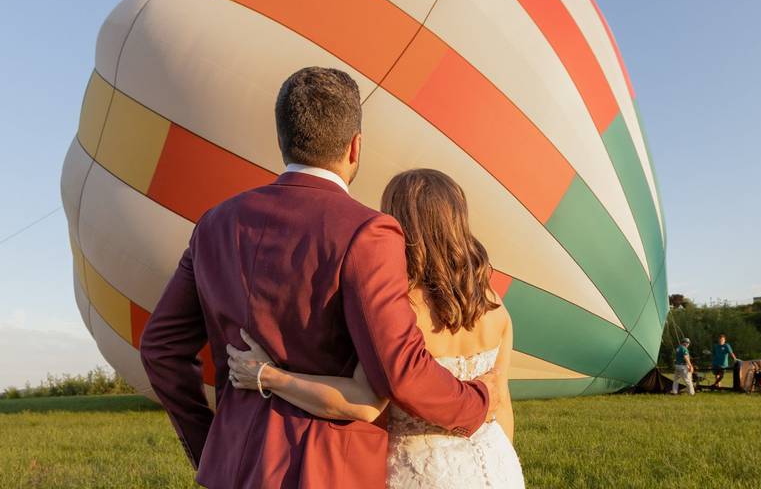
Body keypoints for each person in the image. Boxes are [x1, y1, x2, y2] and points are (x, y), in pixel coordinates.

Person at [139, 67, 500, 489]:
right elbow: (401, 371)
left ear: (282, 141)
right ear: (355, 146)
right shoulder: (368, 232)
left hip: (232, 470)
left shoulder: (214, 225)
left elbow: (159, 349)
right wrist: (478, 401)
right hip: (329, 472)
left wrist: (212, 447)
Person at [227, 169, 525, 488]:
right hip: (496, 465)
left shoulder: (401, 309)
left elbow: (362, 401)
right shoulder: (494, 305)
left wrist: (268, 375)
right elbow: (501, 405)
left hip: (423, 475)